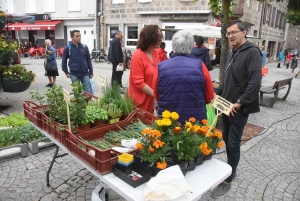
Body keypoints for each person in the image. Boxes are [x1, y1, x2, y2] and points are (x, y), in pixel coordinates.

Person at [213, 20, 261, 198]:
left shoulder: (252, 52)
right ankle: (230, 166)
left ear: (244, 32)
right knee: (225, 137)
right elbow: (227, 79)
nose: (231, 36)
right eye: (228, 33)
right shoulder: (233, 52)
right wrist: (216, 92)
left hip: (239, 107)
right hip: (226, 104)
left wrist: (241, 102)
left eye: (234, 32)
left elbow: (255, 82)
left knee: (233, 142)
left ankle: (230, 175)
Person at [156, 30, 214, 124]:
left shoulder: (160, 67)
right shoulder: (200, 65)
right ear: (191, 45)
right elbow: (210, 96)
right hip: (195, 120)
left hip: (168, 120)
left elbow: (157, 94)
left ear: (173, 45)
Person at [127, 25, 162, 114]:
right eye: (157, 36)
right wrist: (156, 95)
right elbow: (139, 82)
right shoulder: (137, 56)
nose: (160, 39)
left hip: (151, 99)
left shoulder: (156, 53)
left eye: (160, 36)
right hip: (139, 101)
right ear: (149, 37)